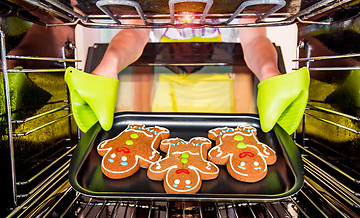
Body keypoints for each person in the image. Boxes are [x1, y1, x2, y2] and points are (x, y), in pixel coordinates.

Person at [65, 18, 310, 135]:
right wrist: (108, 65)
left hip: (219, 104)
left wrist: (270, 73)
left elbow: (255, 37)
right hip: (165, 103)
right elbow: (134, 32)